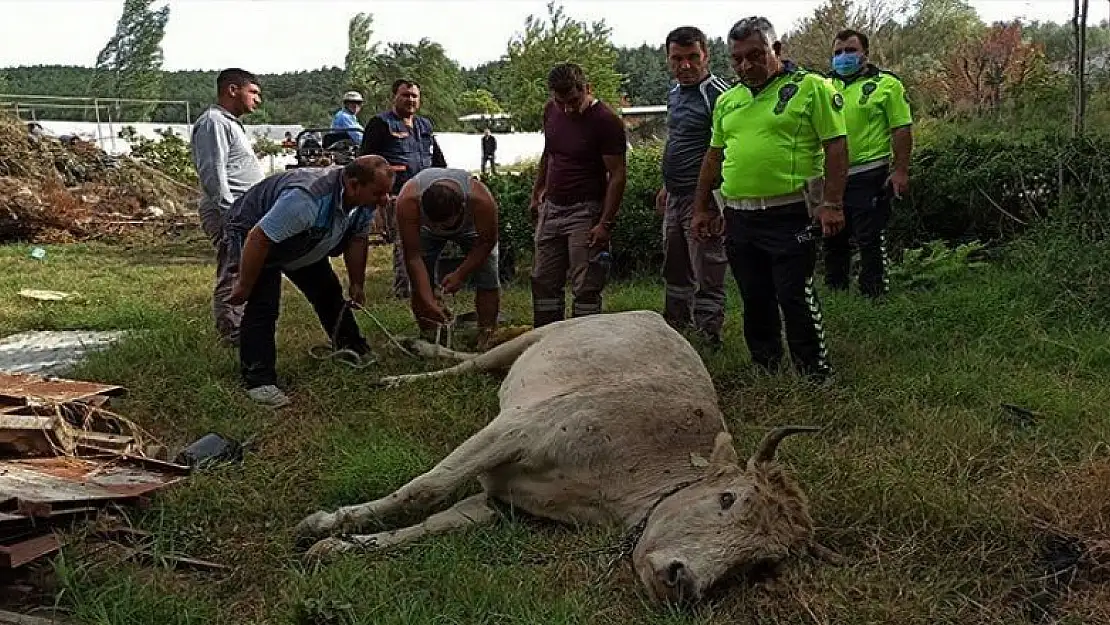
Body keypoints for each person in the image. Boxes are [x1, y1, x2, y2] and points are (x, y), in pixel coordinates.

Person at [691, 16, 848, 382]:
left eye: (755, 55)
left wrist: (833, 203)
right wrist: (702, 207)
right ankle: (766, 367)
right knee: (754, 296)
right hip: (740, 216)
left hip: (791, 213)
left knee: (794, 294)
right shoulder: (728, 100)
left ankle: (814, 372)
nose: (746, 65)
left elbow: (836, 146)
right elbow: (714, 156)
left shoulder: (812, 87)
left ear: (775, 50)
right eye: (737, 59)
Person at [222, 155, 395, 407]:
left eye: (387, 193)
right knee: (264, 306)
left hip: (302, 235)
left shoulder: (363, 202)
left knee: (328, 292)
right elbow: (259, 238)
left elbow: (357, 240)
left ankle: (352, 347)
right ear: (354, 185)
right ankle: (259, 381)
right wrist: (245, 286)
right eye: (378, 193)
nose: (385, 200)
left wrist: (357, 284)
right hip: (253, 234)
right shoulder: (307, 199)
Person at [529, 62, 628, 327]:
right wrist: (537, 190)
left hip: (585, 210)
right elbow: (549, 154)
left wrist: (605, 223)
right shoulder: (551, 111)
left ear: (587, 88)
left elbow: (617, 174)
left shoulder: (606, 121)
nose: (568, 109)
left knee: (586, 283)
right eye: (561, 102)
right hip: (552, 207)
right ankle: (546, 337)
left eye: (573, 101)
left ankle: (586, 339)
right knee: (543, 278)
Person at [822, 29, 914, 298]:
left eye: (850, 51)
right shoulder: (823, 87)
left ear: (865, 54)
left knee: (869, 239)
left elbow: (901, 129)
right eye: (837, 52)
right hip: (831, 179)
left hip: (869, 175)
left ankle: (875, 297)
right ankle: (837, 295)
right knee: (832, 239)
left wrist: (900, 171)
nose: (843, 57)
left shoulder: (887, 85)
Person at [656, 25, 730, 347]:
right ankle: (675, 331)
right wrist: (665, 184)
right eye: (677, 59)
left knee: (707, 270)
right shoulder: (673, 94)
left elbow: (727, 150)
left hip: (705, 200)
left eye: (692, 58)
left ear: (706, 55)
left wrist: (716, 201)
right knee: (675, 267)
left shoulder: (719, 95)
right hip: (674, 195)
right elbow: (677, 141)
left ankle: (707, 337)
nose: (684, 66)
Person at [190, 68, 266, 347]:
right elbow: (213, 171)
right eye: (253, 92)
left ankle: (243, 327)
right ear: (233, 90)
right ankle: (231, 332)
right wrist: (230, 212)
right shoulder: (213, 123)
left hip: (242, 209)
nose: (258, 99)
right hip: (230, 211)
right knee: (233, 267)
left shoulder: (230, 123)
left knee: (247, 267)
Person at [358, 79, 447, 299]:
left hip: (427, 193)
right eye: (405, 95)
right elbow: (365, 161)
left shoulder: (424, 126)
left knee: (430, 241)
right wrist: (379, 195)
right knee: (406, 242)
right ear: (394, 98)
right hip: (397, 195)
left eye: (414, 96)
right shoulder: (380, 124)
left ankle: (429, 286)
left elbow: (438, 160)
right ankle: (405, 290)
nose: (410, 100)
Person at [395, 167, 501, 347]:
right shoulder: (407, 201)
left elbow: (486, 242)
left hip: (471, 230)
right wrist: (429, 301)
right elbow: (413, 256)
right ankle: (431, 334)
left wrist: (460, 273)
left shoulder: (481, 200)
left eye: (446, 224)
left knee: (488, 273)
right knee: (419, 282)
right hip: (425, 234)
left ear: (462, 208)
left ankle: (487, 332)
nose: (441, 228)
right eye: (435, 223)